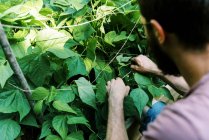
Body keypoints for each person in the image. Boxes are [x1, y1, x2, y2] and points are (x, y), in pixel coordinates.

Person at [106, 0, 209, 140]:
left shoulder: (176, 127)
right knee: (155, 111)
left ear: (157, 32)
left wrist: (115, 103)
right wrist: (157, 70)